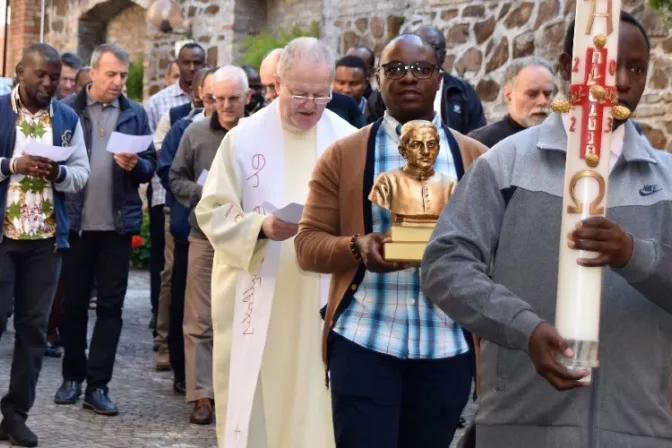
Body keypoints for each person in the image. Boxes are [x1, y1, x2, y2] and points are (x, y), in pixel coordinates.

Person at [421, 12, 672, 448]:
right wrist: (524, 328)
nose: (624, 81)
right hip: (522, 424)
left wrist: (635, 254)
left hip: (640, 428)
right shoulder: (507, 163)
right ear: (568, 65)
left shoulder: (667, 179)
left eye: (637, 68)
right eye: (608, 65)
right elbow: (445, 265)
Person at [295, 33, 485, 448]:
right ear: (377, 79)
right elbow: (306, 246)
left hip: (446, 345)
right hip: (366, 338)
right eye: (395, 68)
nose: (409, 77)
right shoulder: (344, 155)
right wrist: (357, 247)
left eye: (422, 69)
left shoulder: (475, 158)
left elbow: (498, 250)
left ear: (440, 79)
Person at [195, 37, 356, 447]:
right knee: (261, 406)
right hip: (261, 293)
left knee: (317, 405)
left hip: (324, 301)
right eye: (299, 92)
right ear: (277, 84)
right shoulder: (244, 139)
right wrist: (261, 228)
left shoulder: (349, 141)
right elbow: (212, 210)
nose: (311, 104)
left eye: (322, 94)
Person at [54, 43, 156, 416]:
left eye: (123, 75)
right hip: (76, 225)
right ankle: (71, 378)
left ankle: (98, 386)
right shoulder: (67, 111)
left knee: (111, 307)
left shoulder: (134, 114)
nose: (118, 82)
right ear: (92, 73)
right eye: (111, 74)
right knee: (73, 304)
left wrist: (136, 165)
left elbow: (151, 167)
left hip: (116, 227)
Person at [0, 43, 89, 448]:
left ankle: (15, 415)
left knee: (33, 330)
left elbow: (82, 174)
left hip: (45, 240)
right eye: (41, 75)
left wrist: (59, 172)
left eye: (55, 77)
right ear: (21, 71)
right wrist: (10, 165)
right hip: (3, 237)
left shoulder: (67, 118)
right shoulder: (1, 111)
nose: (50, 83)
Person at [170, 65, 249, 425]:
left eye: (235, 98)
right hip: (203, 236)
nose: (228, 105)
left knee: (242, 317)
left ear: (248, 97)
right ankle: (202, 395)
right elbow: (175, 177)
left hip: (248, 238)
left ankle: (238, 392)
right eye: (221, 98)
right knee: (199, 320)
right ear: (210, 98)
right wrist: (205, 195)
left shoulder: (257, 135)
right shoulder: (195, 133)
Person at [365, 26, 486, 136]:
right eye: (421, 46)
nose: (428, 52)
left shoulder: (463, 92)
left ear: (444, 54)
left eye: (434, 47)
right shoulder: (385, 92)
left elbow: (478, 133)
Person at [469, 56, 555, 148]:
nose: (542, 101)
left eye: (547, 94)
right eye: (532, 94)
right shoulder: (481, 143)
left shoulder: (562, 139)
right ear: (508, 95)